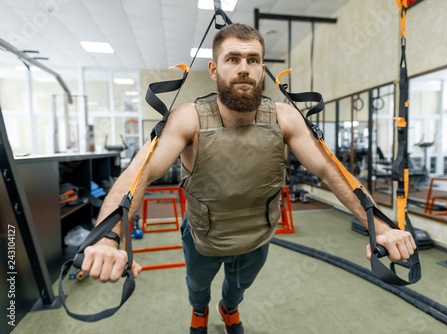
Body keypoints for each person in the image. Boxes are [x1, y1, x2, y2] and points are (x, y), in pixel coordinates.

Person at [81, 23, 417, 334]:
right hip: (202, 236)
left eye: (253, 59)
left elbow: (330, 169)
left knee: (239, 286)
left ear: (262, 68)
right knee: (197, 286)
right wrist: (108, 238)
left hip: (257, 235)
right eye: (233, 58)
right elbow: (140, 172)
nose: (244, 68)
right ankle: (200, 311)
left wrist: (381, 227)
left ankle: (229, 308)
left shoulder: (285, 117)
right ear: (214, 69)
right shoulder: (189, 119)